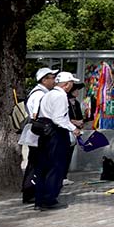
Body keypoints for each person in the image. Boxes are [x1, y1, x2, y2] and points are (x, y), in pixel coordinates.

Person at [33, 71, 83, 210]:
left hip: (44, 132)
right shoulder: (61, 96)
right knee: (56, 166)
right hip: (56, 133)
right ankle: (49, 199)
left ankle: (39, 199)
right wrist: (73, 128)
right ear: (67, 84)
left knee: (43, 167)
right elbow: (59, 118)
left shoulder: (48, 94)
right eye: (72, 83)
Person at [20, 67, 56, 204]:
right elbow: (36, 115)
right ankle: (31, 191)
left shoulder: (40, 92)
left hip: (36, 134)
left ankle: (31, 191)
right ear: (44, 79)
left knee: (35, 163)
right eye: (51, 78)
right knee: (37, 164)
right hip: (38, 135)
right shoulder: (40, 94)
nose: (54, 80)